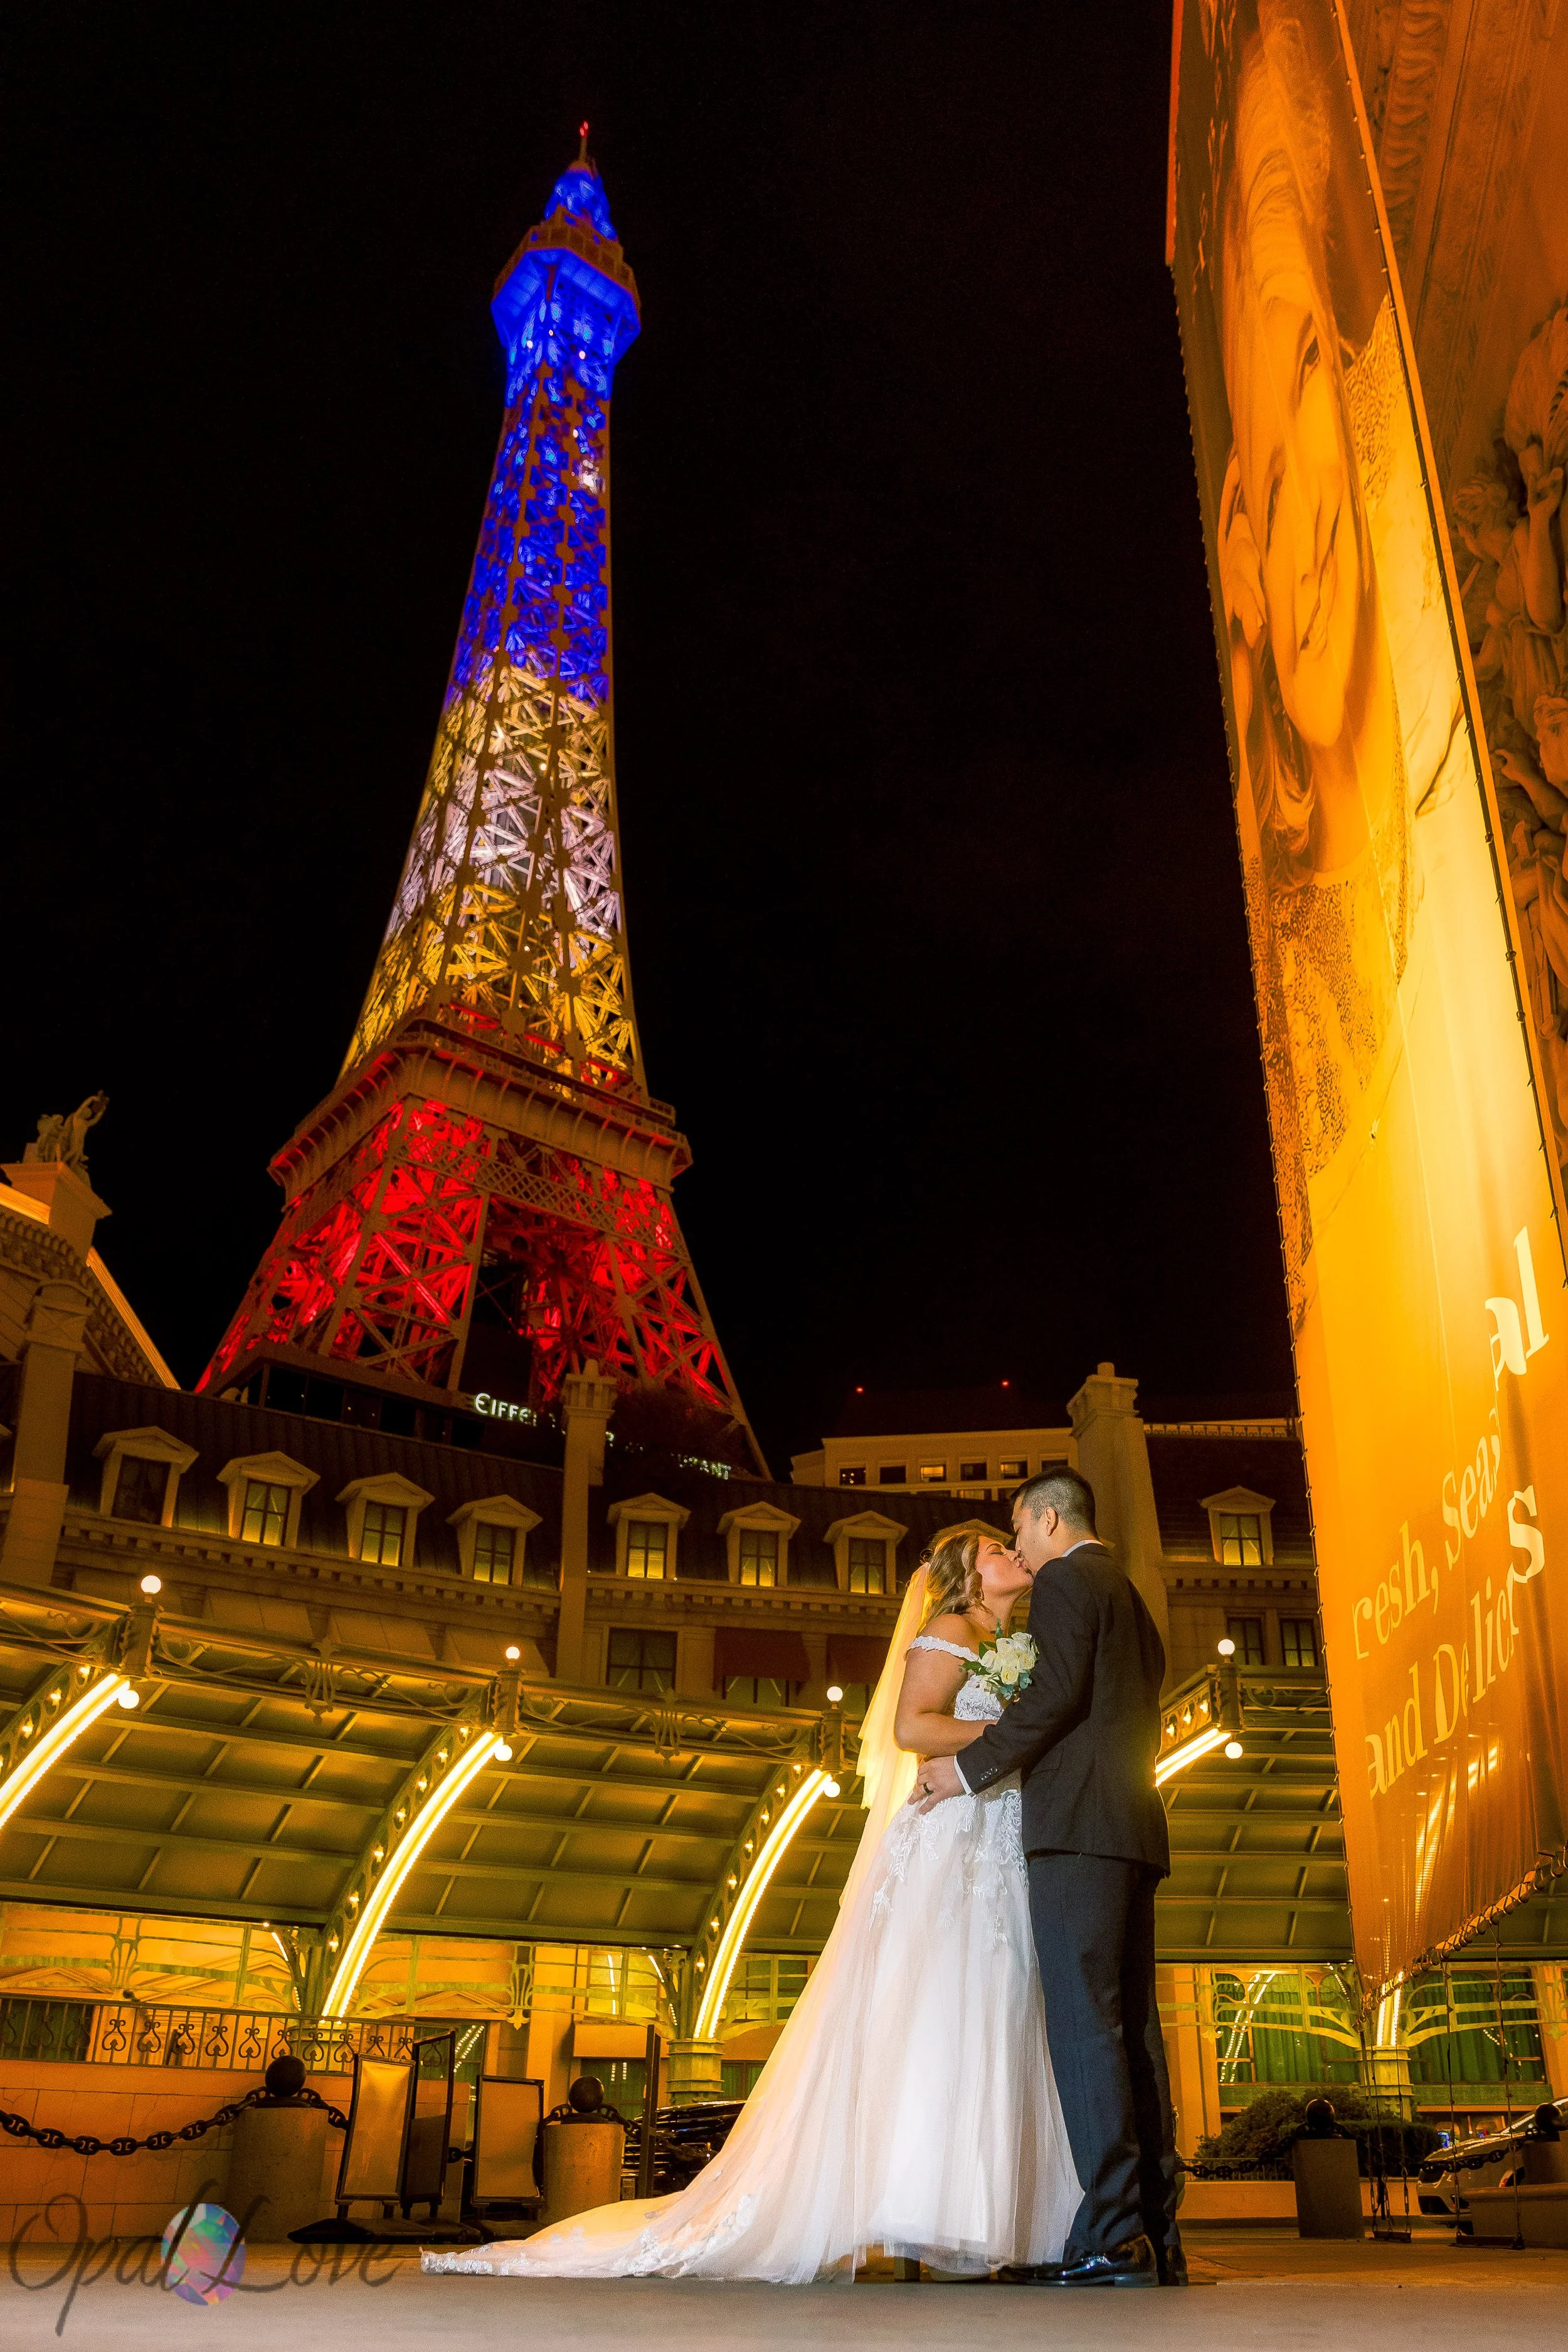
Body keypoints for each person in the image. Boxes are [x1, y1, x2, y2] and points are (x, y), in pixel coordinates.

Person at [422, 1528, 1079, 2283]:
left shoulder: (1016, 1641)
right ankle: (917, 2206)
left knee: (996, 2008)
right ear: (968, 1572)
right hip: (952, 1843)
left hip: (1001, 1837)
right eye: (997, 1545)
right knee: (936, 2010)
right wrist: (1017, 1735)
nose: (1014, 1551)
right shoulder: (948, 1630)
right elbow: (911, 1727)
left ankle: (989, 2214)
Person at [916, 1467, 1180, 2287]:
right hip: (1132, 1826)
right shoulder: (1130, 1595)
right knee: (1132, 2029)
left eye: (1020, 1528)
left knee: (1082, 2024)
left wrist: (966, 1770)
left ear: (1049, 1517)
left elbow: (1057, 1693)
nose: (1022, 1546)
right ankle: (1155, 2232)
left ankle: (1111, 2232)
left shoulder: (1068, 1577)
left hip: (1076, 1829)